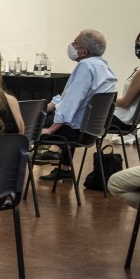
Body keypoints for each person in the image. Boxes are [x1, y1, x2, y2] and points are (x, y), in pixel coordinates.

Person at [39, 29, 117, 181]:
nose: (72, 45)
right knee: (59, 116)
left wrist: (51, 129)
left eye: (75, 42)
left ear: (83, 51)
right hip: (91, 132)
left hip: (75, 132)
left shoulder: (85, 66)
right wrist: (46, 107)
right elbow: (67, 97)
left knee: (22, 123)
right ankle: (65, 169)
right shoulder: (105, 67)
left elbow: (71, 103)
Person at [111, 31, 140, 133]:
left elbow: (125, 103)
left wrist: (106, 102)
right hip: (129, 121)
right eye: (138, 41)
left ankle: (66, 146)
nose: (138, 45)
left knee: (83, 117)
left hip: (123, 120)